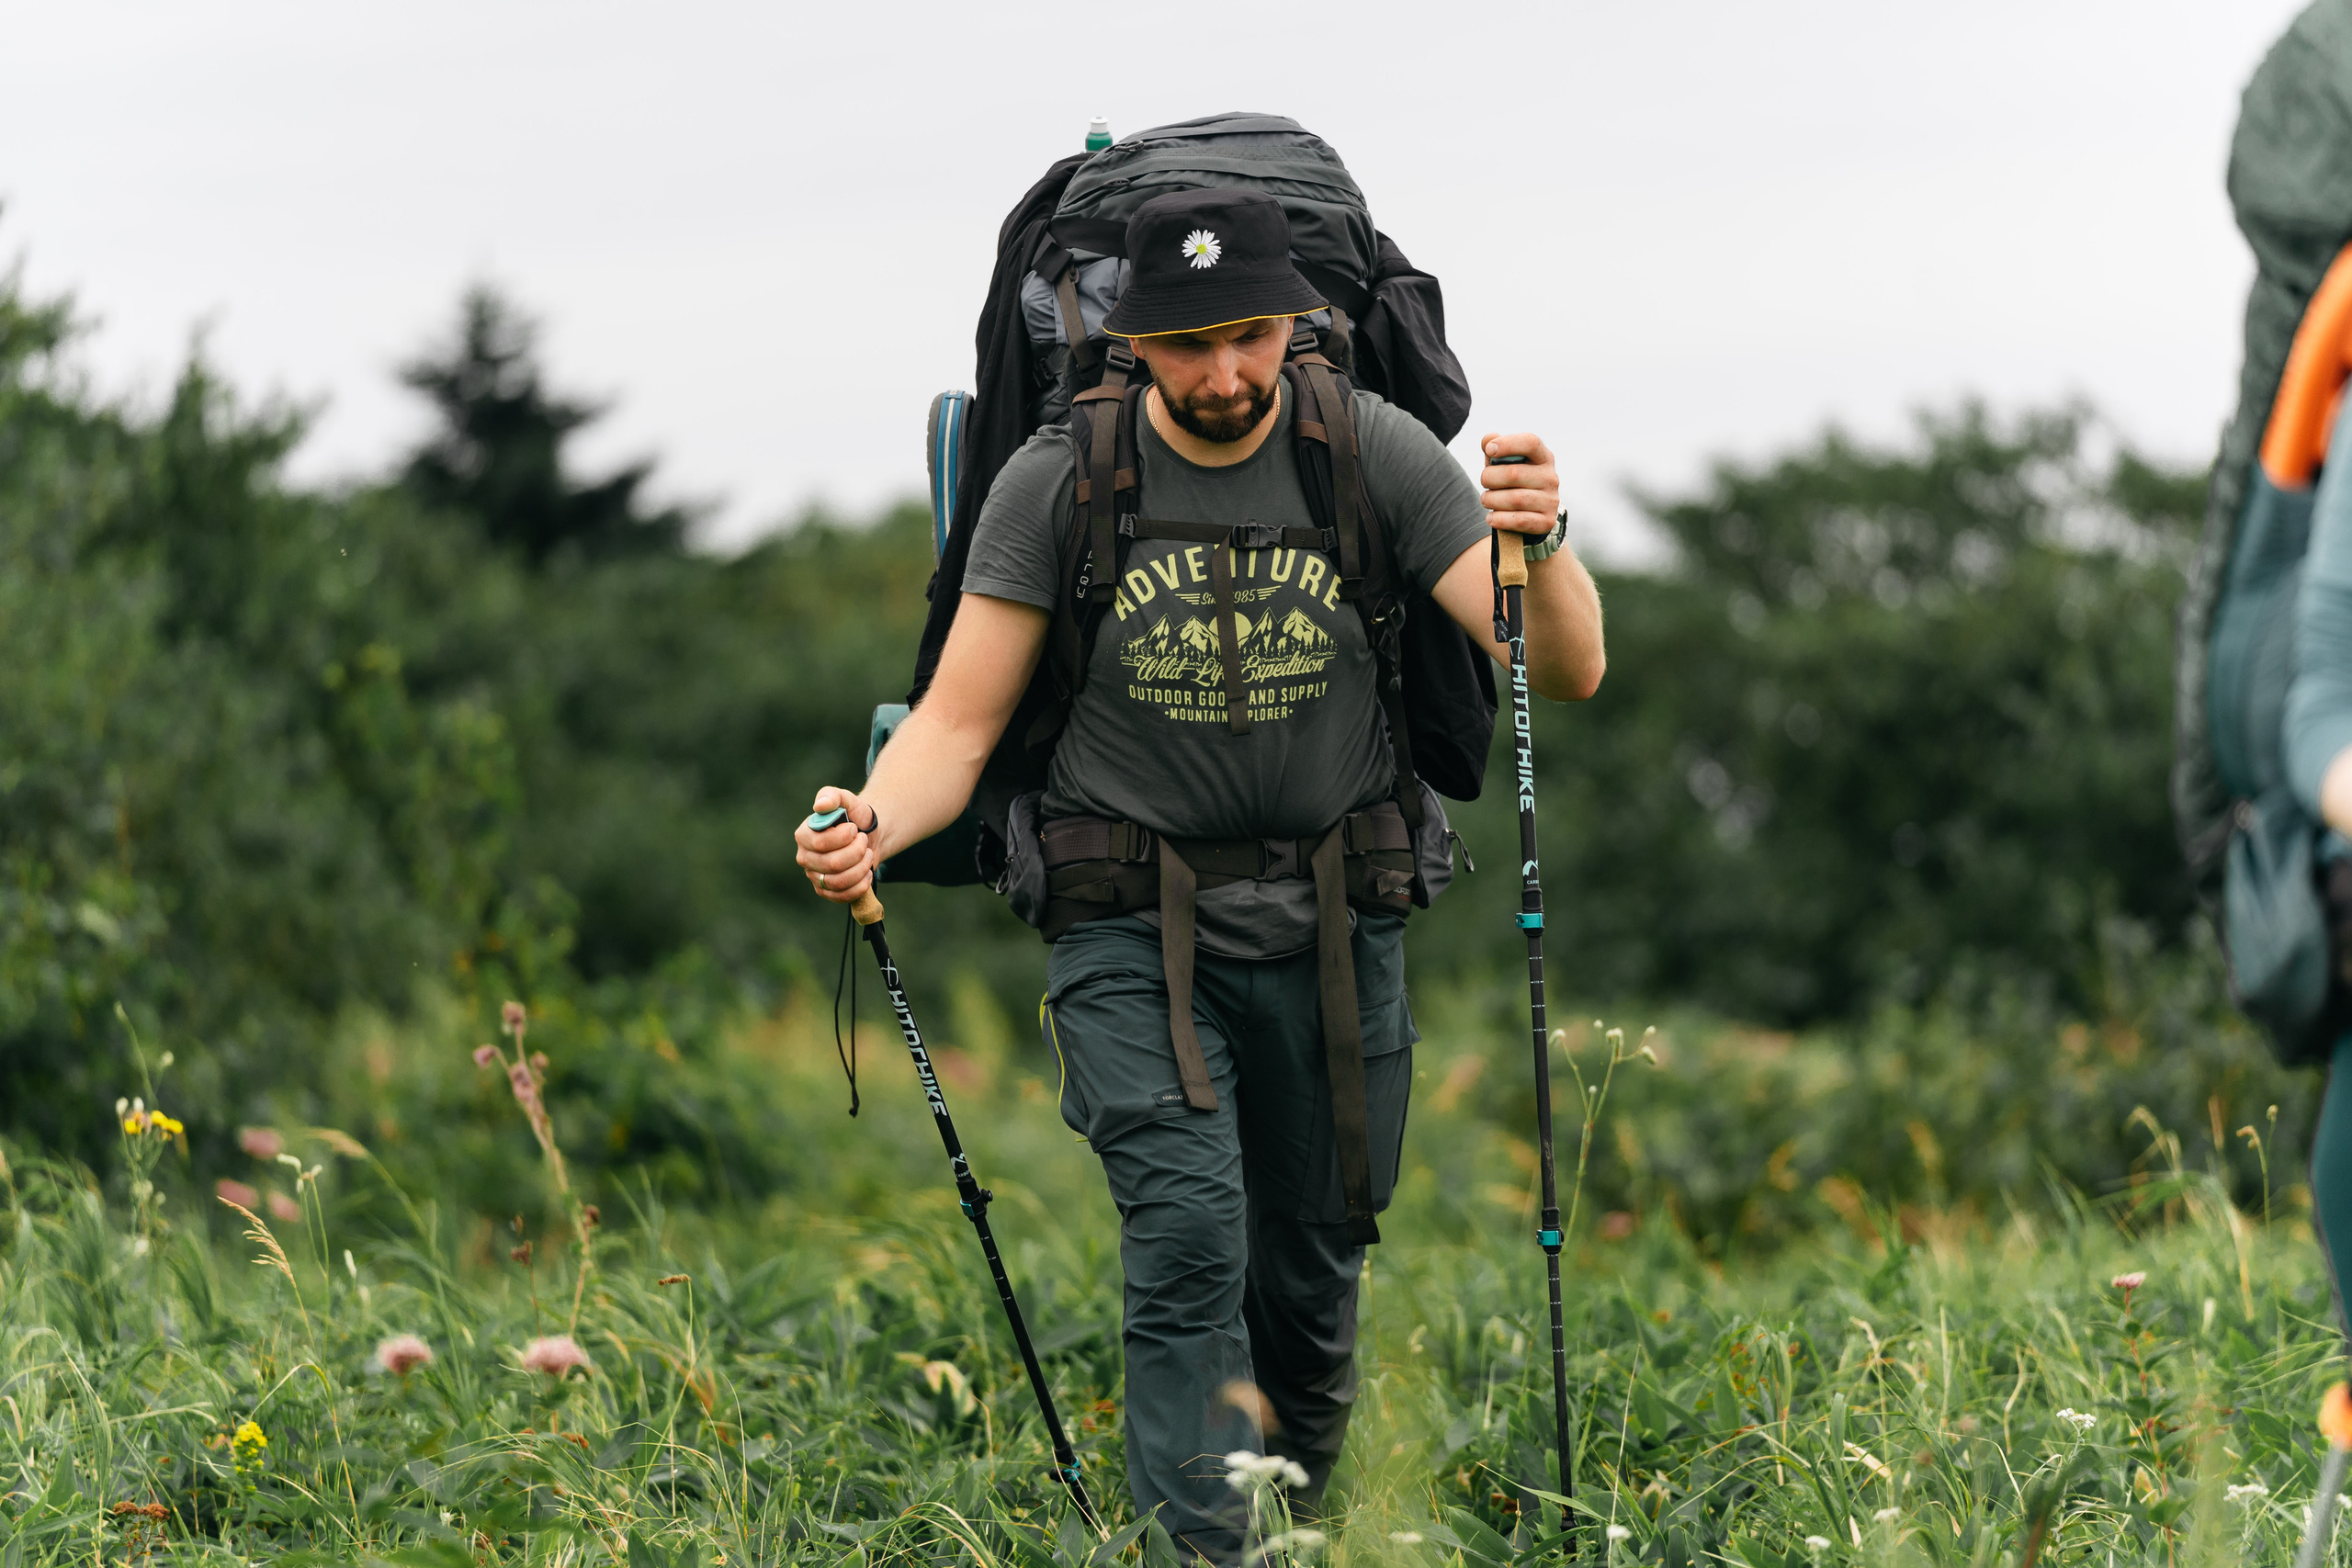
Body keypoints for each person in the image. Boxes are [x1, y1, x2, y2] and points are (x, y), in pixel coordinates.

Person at [795, 187, 1605, 1557]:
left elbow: (1563, 666)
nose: (1223, 374)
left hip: (1339, 924)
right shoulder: (1060, 478)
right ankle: (1204, 1553)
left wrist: (1548, 540)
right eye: (1188, 343)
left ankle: (1291, 1527)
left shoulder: (1371, 450)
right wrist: (871, 819)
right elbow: (959, 722)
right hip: (1126, 926)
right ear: (1135, 339)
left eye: (1249, 337)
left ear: (1295, 321)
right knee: (1187, 1245)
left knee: (1311, 1272)